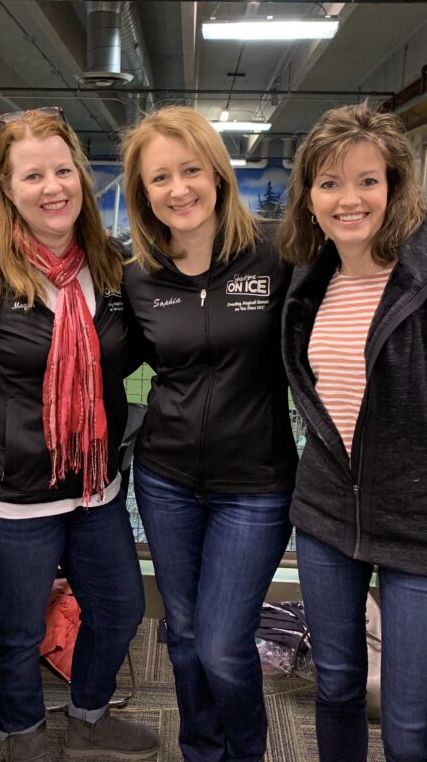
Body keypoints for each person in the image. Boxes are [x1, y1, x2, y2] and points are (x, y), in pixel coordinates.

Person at [277, 102, 427, 762]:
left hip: (425, 530)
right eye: (328, 184)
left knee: (411, 727)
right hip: (329, 519)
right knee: (334, 689)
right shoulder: (311, 278)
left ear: (395, 186)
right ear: (309, 197)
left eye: (366, 181)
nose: (347, 199)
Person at [0, 107, 159, 762]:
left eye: (62, 170)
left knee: (120, 609)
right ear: (7, 188)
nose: (52, 187)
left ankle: (88, 717)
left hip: (94, 487)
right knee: (15, 629)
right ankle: (24, 734)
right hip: (9, 497)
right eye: (31, 174)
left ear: (82, 176)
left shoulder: (114, 266)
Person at [120, 106, 298, 762]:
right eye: (159, 177)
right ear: (144, 193)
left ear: (218, 175)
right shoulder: (137, 277)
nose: (178, 188)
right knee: (186, 633)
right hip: (165, 479)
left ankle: (245, 753)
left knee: (224, 641)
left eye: (190, 169)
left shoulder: (278, 252)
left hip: (254, 485)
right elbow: (102, 353)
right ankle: (201, 750)